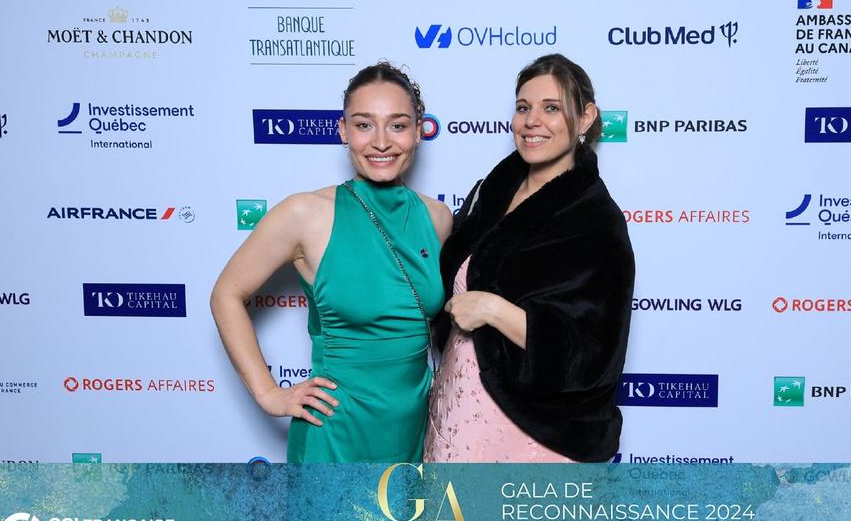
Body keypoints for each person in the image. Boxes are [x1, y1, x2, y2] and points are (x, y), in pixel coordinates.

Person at [211, 62, 452, 463]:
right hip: (336, 431)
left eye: (397, 125)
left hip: (411, 427)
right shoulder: (305, 213)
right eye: (364, 125)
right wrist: (269, 393)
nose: (381, 142)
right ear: (343, 131)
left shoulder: (437, 218)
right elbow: (226, 293)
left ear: (418, 131)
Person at [424, 53, 635, 463]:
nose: (532, 121)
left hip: (530, 432)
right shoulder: (491, 190)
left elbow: (595, 357)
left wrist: (493, 309)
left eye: (551, 108)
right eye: (523, 107)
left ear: (586, 117)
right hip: (455, 409)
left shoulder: (597, 222)